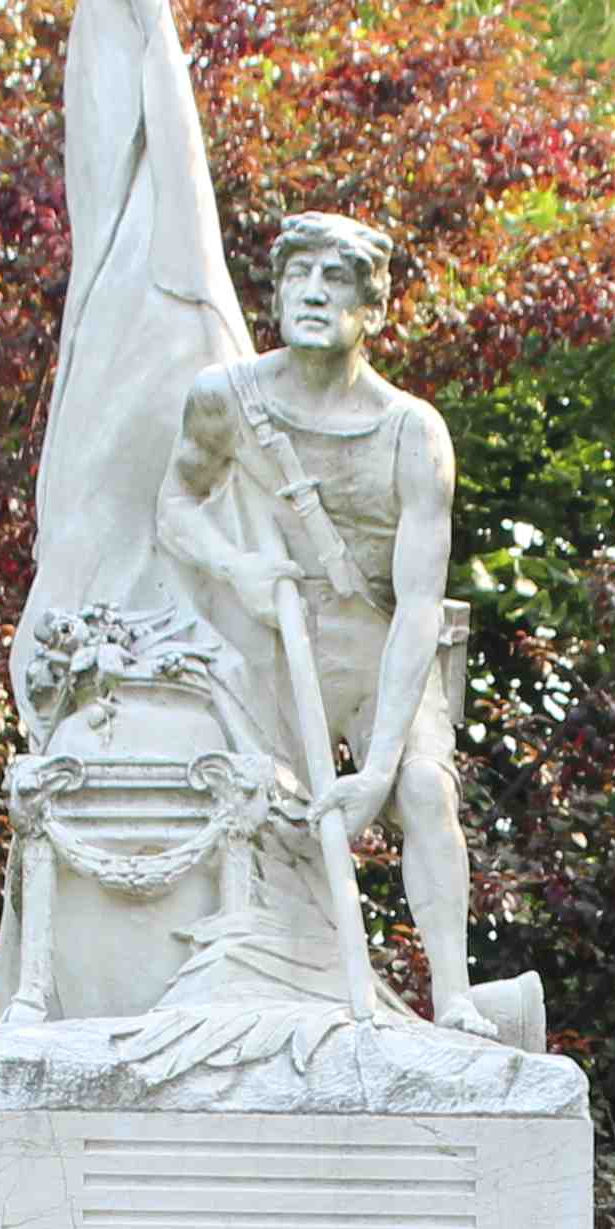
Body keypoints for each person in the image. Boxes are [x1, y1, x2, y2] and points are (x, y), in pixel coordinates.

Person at [154, 211, 490, 1033]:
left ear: (372, 309)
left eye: (335, 279)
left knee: (424, 788)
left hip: (382, 652)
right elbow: (175, 505)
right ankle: (256, 985)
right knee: (251, 808)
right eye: (297, 276)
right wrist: (237, 567)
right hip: (274, 647)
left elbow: (418, 607)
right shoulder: (226, 399)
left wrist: (375, 772)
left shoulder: (412, 432)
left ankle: (454, 996)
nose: (312, 293)